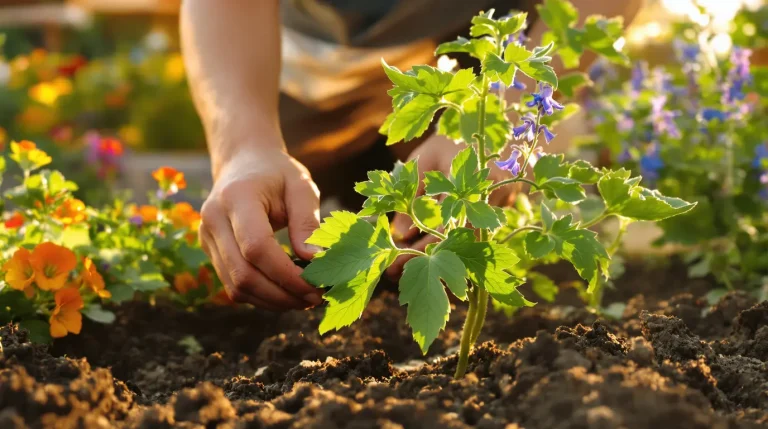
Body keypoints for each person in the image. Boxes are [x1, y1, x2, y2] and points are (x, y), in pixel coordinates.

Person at [180, 0, 641, 311]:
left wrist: (511, 112)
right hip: (315, 72)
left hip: (501, 46)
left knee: (469, 232)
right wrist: (244, 145)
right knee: (314, 225)